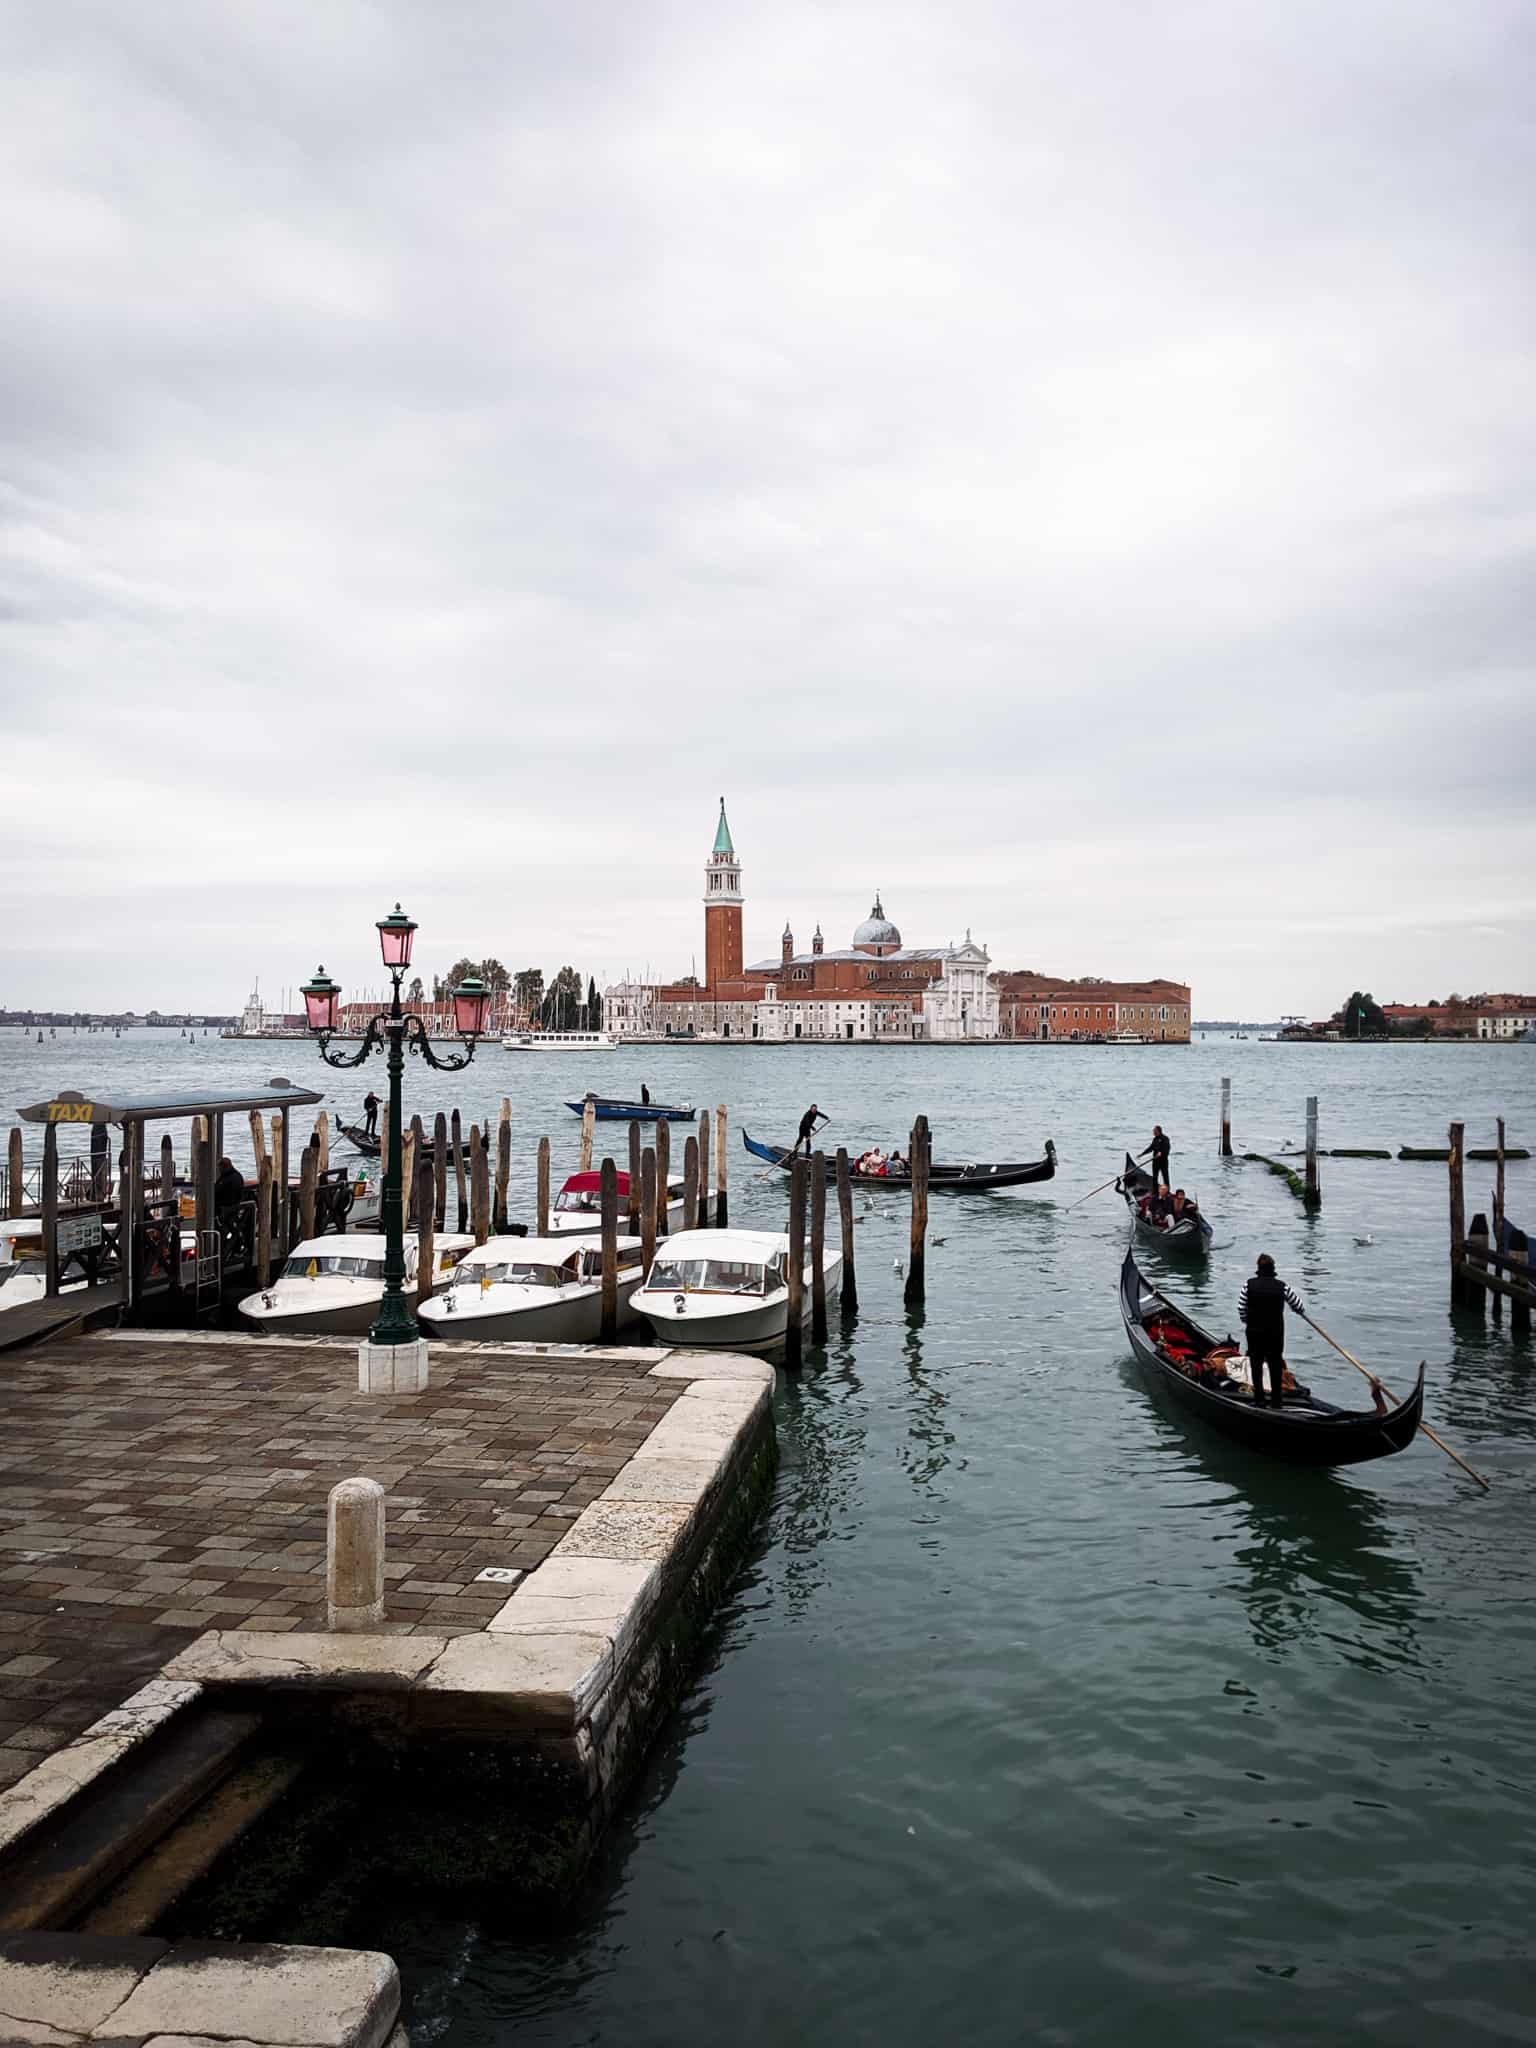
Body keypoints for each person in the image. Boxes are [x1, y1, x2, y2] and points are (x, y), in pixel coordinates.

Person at [1238, 1252, 1306, 1407]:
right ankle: (1276, 1402)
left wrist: (1247, 1321)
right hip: (1275, 1333)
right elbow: (1299, 1306)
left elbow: (1241, 1308)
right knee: (1275, 1365)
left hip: (1255, 1332)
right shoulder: (1282, 1287)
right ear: (1273, 1268)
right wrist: (1297, 1310)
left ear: (1258, 1268)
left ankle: (1259, 1400)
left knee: (1256, 1365)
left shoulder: (1248, 1285)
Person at [1139, 1125, 1172, 1192]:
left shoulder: (1165, 1138)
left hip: (1163, 1161)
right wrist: (1142, 1154)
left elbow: (1167, 1148)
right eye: (1153, 1131)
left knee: (1165, 1176)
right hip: (1155, 1161)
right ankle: (1155, 1190)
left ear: (1158, 1131)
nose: (1153, 1132)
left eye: (1154, 1131)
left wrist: (1161, 1153)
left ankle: (1167, 1191)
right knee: (1155, 1177)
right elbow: (1151, 1148)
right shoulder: (1155, 1139)